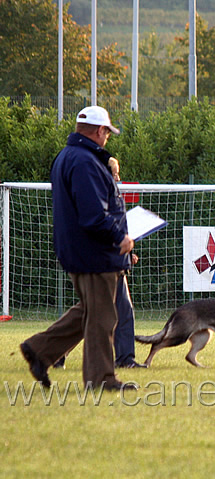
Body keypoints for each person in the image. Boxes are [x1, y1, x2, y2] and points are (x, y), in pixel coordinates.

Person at [20, 105, 136, 391]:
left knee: (90, 311)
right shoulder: (85, 162)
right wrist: (119, 237)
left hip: (79, 250)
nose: (108, 138)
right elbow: (94, 215)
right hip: (94, 253)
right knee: (103, 318)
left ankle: (39, 350)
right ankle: (101, 379)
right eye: (107, 132)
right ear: (99, 131)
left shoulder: (68, 156)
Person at [53, 157, 147, 370]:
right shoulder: (99, 195)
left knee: (99, 313)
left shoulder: (107, 194)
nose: (118, 178)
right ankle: (123, 359)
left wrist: (127, 254)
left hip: (113, 262)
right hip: (105, 265)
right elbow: (100, 228)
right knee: (102, 314)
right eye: (115, 173)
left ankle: (57, 353)